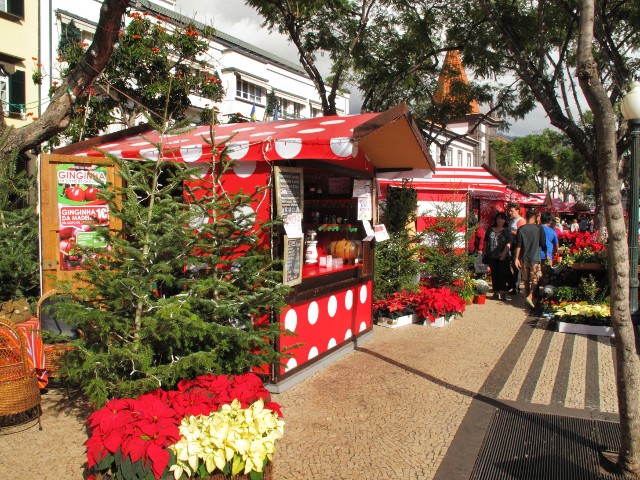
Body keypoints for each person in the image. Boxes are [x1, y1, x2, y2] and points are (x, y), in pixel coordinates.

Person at [515, 209, 546, 308]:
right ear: (534, 217)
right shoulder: (539, 228)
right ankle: (530, 296)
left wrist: (516, 258)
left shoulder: (521, 229)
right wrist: (546, 253)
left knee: (526, 279)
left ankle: (527, 298)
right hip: (535, 257)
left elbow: (518, 245)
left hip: (524, 258)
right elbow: (543, 243)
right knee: (535, 278)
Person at [483, 212, 514, 301]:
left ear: (505, 220)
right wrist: (484, 251)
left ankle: (503, 292)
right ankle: (496, 292)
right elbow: (486, 241)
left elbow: (509, 243)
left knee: (502, 274)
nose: (500, 220)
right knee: (494, 273)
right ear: (496, 220)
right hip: (491, 255)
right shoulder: (490, 229)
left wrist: (504, 253)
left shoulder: (507, 231)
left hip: (503, 255)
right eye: (498, 218)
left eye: (502, 218)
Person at [507, 204, 525, 293]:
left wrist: (509, 231)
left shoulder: (521, 221)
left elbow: (521, 233)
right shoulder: (512, 220)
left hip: (516, 245)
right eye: (509, 211)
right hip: (510, 245)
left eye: (512, 211)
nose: (510, 213)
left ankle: (516, 286)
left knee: (516, 266)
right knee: (508, 265)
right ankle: (512, 283)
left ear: (517, 210)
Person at [539, 212, 558, 284]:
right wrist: (555, 252)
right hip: (547, 255)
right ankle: (545, 292)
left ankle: (536, 292)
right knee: (546, 275)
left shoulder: (537, 228)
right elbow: (556, 244)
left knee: (536, 275)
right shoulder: (552, 231)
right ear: (550, 221)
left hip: (536, 255)